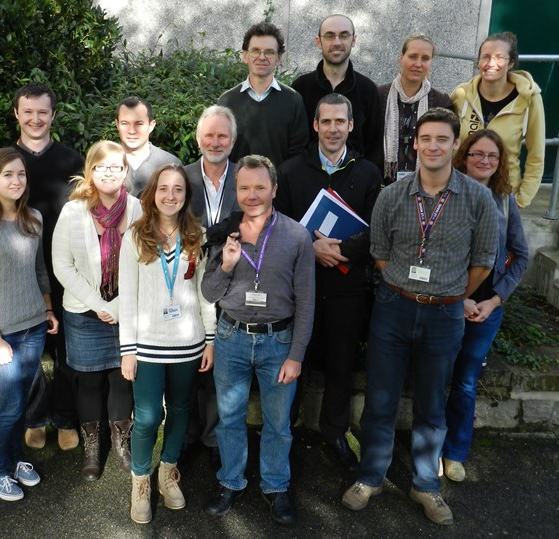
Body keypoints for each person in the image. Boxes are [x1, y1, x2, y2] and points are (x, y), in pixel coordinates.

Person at [341, 108, 498, 526]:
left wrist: (449, 295)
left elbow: (483, 262)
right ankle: (371, 476)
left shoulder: (478, 199)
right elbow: (379, 253)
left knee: (432, 404)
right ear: (415, 144)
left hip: (446, 315)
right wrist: (409, 289)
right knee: (380, 398)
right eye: (425, 138)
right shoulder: (393, 194)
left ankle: (426, 484)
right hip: (394, 307)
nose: (433, 146)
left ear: (454, 146)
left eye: (442, 139)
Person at [202, 155, 315, 525]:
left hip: (277, 341)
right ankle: (230, 480)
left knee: (278, 422)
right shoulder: (222, 234)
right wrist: (228, 265)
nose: (252, 195)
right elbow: (208, 292)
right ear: (236, 191)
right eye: (245, 187)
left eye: (260, 187)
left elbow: (306, 302)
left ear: (274, 190)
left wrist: (296, 355)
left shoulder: (297, 236)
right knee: (230, 417)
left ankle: (275, 485)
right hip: (231, 336)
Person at [276, 93, 381, 471]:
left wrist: (340, 253)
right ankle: (282, 431)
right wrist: (312, 249)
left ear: (351, 126)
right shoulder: (290, 172)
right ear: (315, 125)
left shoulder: (368, 173)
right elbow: (279, 226)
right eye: (327, 122)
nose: (333, 129)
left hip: (347, 289)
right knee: (292, 362)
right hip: (299, 290)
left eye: (341, 122)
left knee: (340, 364)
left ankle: (335, 432)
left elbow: (376, 230)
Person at [119, 164, 217, 524]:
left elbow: (206, 295)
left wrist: (209, 339)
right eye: (164, 188)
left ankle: (167, 471)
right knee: (146, 417)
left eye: (178, 189)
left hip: (188, 344)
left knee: (179, 410)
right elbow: (127, 297)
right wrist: (127, 350)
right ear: (153, 193)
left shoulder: (198, 236)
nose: (171, 195)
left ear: (186, 196)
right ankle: (141, 481)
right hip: (146, 344)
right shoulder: (136, 236)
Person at [0, 147, 59, 502]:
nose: (16, 180)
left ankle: (17, 459)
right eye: (7, 175)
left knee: (21, 403)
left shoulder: (33, 217)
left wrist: (48, 311)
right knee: (8, 406)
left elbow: (38, 271)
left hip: (34, 327)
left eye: (20, 174)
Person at [52, 140, 142, 481]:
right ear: (90, 170)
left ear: (125, 171)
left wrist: (118, 306)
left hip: (126, 310)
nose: (108, 173)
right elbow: (62, 265)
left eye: (115, 167)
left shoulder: (138, 209)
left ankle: (121, 442)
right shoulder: (73, 210)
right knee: (88, 381)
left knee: (123, 378)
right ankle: (93, 447)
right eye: (101, 166)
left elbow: (144, 262)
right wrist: (99, 305)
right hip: (83, 312)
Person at [442, 130, 528, 481]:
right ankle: (429, 449)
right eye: (478, 154)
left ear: (500, 162)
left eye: (492, 156)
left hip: (486, 309)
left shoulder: (505, 200)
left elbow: (521, 256)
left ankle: (455, 452)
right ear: (464, 156)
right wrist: (457, 298)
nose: (485, 162)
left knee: (465, 381)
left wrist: (494, 300)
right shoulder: (448, 195)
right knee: (435, 378)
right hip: (448, 303)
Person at [12, 82, 85, 452]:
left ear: (53, 114)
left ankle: (66, 418)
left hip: (66, 271)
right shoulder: (6, 162)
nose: (35, 118)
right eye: (28, 111)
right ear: (17, 115)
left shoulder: (72, 160)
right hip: (21, 271)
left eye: (42, 111)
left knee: (67, 351)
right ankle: (36, 418)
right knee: (28, 353)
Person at [180, 105, 239, 467]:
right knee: (190, 361)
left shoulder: (246, 176)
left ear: (233, 140)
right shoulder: (181, 178)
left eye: (222, 135)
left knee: (223, 365)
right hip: (188, 286)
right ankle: (185, 434)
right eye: (209, 135)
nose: (215, 142)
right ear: (199, 138)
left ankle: (215, 437)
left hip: (235, 283)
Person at [451, 32, 545, 207]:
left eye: (499, 57)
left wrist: (521, 201)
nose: (490, 63)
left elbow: (536, 156)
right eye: (485, 57)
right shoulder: (461, 94)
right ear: (478, 61)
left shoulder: (529, 99)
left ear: (511, 63)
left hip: (504, 196)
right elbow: (447, 142)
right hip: (461, 193)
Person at [292, 14, 384, 170]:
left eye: (344, 35)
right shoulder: (301, 88)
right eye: (329, 36)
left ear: (353, 40)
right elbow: (294, 144)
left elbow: (374, 149)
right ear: (318, 41)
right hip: (308, 180)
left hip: (355, 183)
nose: (337, 42)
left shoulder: (368, 90)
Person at [217, 22, 308, 169]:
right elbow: (220, 150)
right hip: (237, 189)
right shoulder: (227, 101)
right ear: (245, 56)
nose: (262, 57)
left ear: (279, 58)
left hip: (278, 189)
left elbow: (298, 154)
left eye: (269, 52)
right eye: (255, 50)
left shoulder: (293, 101)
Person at [378, 35, 451, 184]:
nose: (418, 64)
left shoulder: (441, 101)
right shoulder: (378, 95)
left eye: (425, 58)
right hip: (382, 183)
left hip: (426, 185)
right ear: (401, 57)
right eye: (412, 56)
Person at [116, 96, 180, 196]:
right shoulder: (103, 164)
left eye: (139, 124)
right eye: (125, 123)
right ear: (117, 125)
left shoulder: (170, 164)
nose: (132, 131)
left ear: (151, 125)